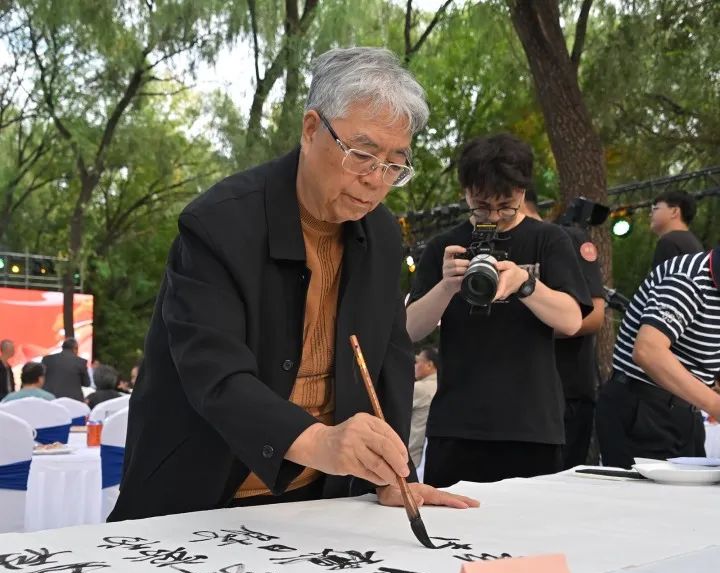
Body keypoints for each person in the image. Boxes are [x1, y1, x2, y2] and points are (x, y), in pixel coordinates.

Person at [109, 47, 478, 521]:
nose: (375, 181)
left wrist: (393, 476)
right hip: (195, 495)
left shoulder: (382, 235)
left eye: (394, 165)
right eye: (362, 155)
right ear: (310, 129)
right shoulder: (219, 224)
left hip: (314, 505)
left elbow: (389, 355)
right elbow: (214, 374)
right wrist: (322, 441)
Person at [406, 133, 592, 486]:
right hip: (457, 425)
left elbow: (571, 321)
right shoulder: (444, 246)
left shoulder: (549, 240)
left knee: (532, 537)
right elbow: (408, 330)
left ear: (522, 192)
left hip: (531, 427)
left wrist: (525, 282)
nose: (493, 215)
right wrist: (447, 285)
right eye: (480, 205)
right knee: (452, 534)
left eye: (506, 205)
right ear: (465, 192)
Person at [596, 249, 720, 468]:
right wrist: (714, 404)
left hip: (686, 412)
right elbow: (649, 350)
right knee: (645, 500)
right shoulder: (689, 278)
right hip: (643, 409)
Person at [523, 189, 606, 468]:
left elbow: (595, 316)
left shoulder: (567, 238)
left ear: (518, 196)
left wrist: (534, 327)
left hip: (567, 391)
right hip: (520, 395)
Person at [650, 190, 703, 269]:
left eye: (656, 209)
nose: (650, 214)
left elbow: (664, 280)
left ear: (674, 211)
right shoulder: (694, 243)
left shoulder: (669, 241)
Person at [408, 346, 438, 467]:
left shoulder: (421, 388)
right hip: (428, 457)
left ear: (429, 365)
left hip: (412, 456)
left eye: (417, 362)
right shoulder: (440, 387)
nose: (414, 366)